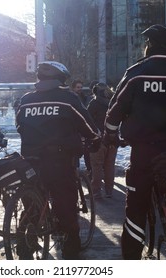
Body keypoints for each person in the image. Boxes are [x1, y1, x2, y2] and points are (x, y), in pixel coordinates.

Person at [103, 24, 166, 259]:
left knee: (136, 210)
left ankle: (131, 260)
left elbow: (114, 111)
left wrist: (110, 134)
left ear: (149, 45)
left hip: (144, 154)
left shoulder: (136, 73)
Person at [16, 61, 100, 259]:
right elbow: (86, 124)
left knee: (32, 201)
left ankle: (24, 245)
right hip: (59, 160)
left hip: (30, 160)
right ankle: (71, 250)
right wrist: (95, 139)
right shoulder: (68, 98)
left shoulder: (26, 99)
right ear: (61, 79)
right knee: (66, 204)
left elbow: (19, 125)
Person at [87, 82, 118, 199]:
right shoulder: (114, 102)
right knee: (110, 165)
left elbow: (87, 120)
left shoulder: (94, 103)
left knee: (97, 166)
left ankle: (96, 191)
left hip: (98, 139)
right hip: (113, 139)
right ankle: (109, 191)